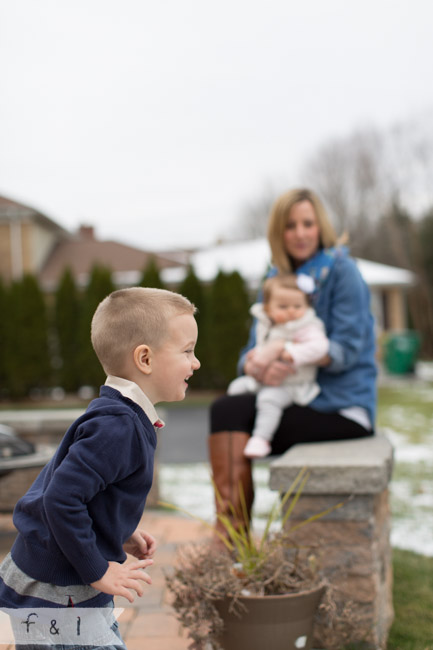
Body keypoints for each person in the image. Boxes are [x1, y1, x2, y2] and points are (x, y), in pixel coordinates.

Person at [0, 287, 200, 649]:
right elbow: (60, 499)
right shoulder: (118, 427)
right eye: (187, 351)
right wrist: (100, 569)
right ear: (145, 359)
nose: (196, 362)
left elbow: (87, 491)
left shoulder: (118, 415)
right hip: (59, 589)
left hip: (61, 575)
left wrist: (117, 529)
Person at [209, 188, 376, 534]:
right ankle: (230, 538)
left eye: (307, 223)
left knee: (235, 417)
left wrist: (287, 355)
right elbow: (251, 348)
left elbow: (347, 350)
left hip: (340, 404)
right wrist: (256, 366)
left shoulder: (344, 273)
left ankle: (232, 545)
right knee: (224, 409)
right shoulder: (275, 280)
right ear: (278, 232)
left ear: (321, 226)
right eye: (290, 226)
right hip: (290, 395)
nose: (300, 233)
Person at [227, 273, 329, 459]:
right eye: (283, 306)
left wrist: (290, 352)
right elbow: (260, 348)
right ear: (268, 308)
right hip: (264, 379)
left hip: (293, 384)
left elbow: (320, 347)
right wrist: (256, 356)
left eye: (298, 306)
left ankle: (261, 438)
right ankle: (239, 434)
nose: (291, 311)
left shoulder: (307, 326)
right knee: (236, 388)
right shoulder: (267, 324)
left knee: (269, 399)